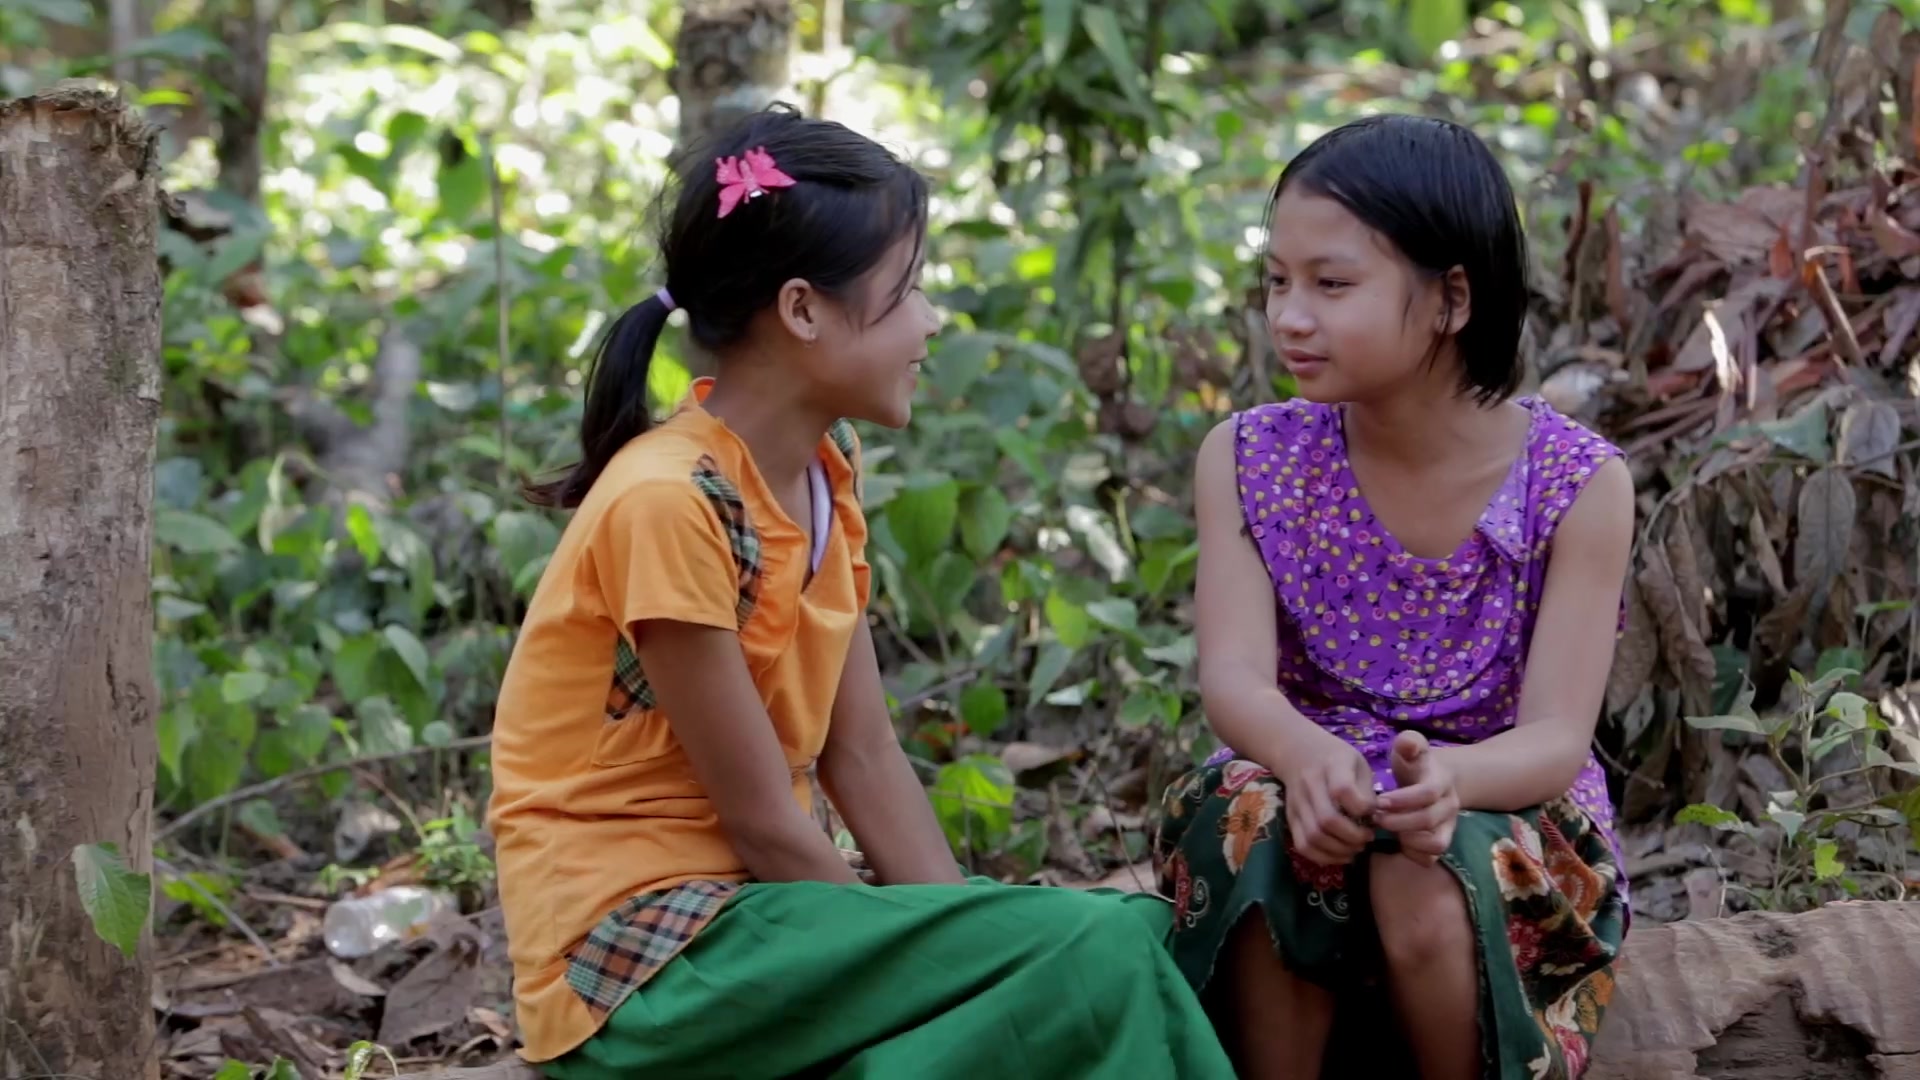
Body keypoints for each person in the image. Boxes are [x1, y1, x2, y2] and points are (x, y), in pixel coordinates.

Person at [487, 104, 1235, 1080]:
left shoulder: (822, 476)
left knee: (1106, 941)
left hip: (768, 930)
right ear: (803, 311)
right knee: (1086, 948)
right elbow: (760, 819)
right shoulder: (667, 501)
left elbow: (865, 753)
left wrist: (973, 940)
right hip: (648, 961)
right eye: (907, 289)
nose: (929, 322)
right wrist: (960, 957)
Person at [1152, 113, 1634, 1080]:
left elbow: (1555, 739)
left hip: (1502, 799)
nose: (1290, 315)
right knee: (1252, 813)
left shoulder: (1577, 482)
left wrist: (1449, 783)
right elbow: (1236, 677)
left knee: (1427, 872)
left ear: (1454, 297)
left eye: (1332, 285)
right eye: (1277, 282)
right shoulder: (1249, 457)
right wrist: (1311, 757)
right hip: (1304, 778)